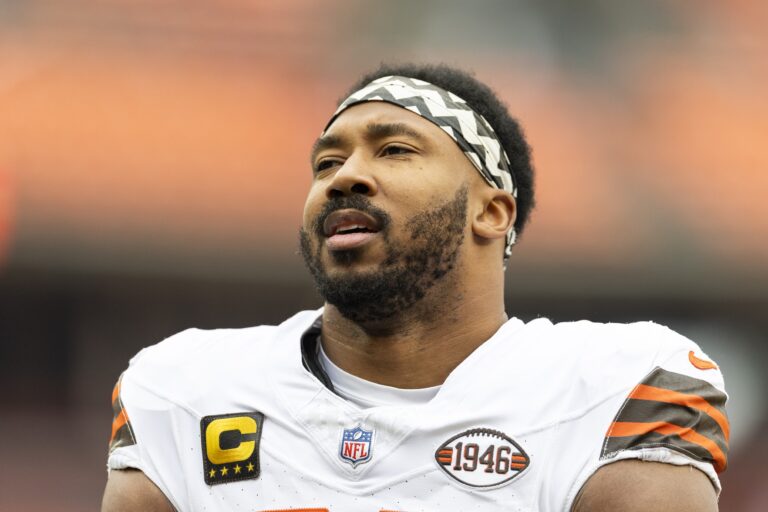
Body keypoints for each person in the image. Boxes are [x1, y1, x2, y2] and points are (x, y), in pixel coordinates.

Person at [101, 63, 729, 512]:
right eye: (326, 163)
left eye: (395, 150)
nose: (345, 177)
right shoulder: (183, 389)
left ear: (491, 212)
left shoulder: (616, 391)